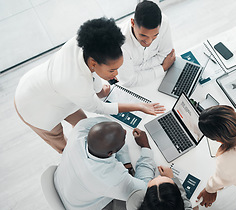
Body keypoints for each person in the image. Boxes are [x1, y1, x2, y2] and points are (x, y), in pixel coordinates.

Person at [14, 17, 164, 154]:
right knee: (67, 147)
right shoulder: (75, 84)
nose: (116, 75)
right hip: (33, 107)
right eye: (112, 70)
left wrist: (99, 90)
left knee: (83, 125)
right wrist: (139, 106)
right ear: (94, 63)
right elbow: (100, 108)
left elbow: (92, 73)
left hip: (48, 86)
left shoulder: (86, 45)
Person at [53, 116, 156, 210]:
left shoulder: (80, 128)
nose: (125, 132)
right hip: (81, 209)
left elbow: (106, 122)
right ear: (110, 153)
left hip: (63, 182)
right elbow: (145, 189)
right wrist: (146, 147)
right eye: (123, 137)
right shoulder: (110, 178)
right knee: (147, 200)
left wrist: (126, 163)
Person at [117, 0, 175, 87]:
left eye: (155, 35)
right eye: (143, 35)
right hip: (134, 87)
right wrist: (162, 68)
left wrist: (136, 69)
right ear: (133, 23)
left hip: (154, 79)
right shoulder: (119, 44)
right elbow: (127, 81)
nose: (149, 41)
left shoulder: (164, 23)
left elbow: (166, 55)